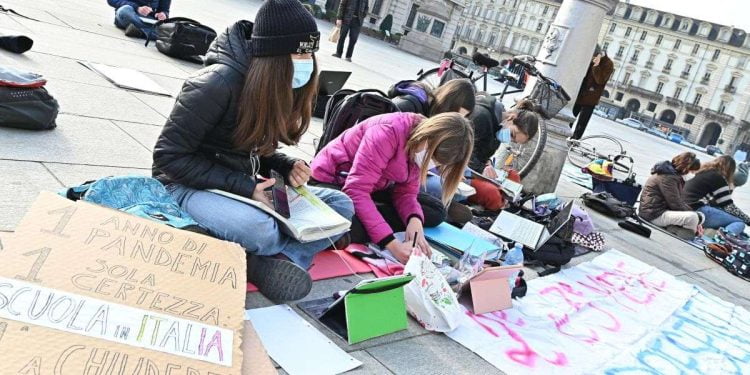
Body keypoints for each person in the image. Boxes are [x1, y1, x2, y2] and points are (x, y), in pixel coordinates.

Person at [152, 0, 354, 302]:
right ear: (273, 55)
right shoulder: (216, 83)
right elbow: (169, 158)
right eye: (299, 52)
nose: (307, 61)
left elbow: (247, 146)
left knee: (341, 206)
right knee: (262, 230)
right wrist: (248, 188)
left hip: (241, 185)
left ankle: (275, 261)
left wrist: (285, 165)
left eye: (310, 52)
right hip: (184, 186)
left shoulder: (273, 82)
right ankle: (263, 257)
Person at [311, 112, 474, 264]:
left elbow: (407, 192)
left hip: (376, 185)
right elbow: (356, 190)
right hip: (334, 181)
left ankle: (371, 217)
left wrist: (414, 220)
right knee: (345, 213)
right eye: (432, 158)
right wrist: (391, 243)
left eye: (437, 164)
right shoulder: (387, 132)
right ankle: (364, 223)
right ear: (428, 137)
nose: (431, 164)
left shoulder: (421, 143)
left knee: (435, 211)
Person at [638, 152, 703, 234]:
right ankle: (686, 233)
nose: (693, 174)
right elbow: (675, 203)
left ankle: (684, 230)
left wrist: (697, 217)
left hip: (660, 211)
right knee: (693, 217)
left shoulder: (674, 177)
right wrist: (696, 217)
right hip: (653, 215)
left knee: (699, 216)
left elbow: (678, 202)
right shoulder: (668, 178)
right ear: (686, 168)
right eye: (693, 172)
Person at [684, 155, 749, 235]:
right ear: (730, 171)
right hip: (696, 209)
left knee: (729, 218)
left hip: (684, 205)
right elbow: (729, 206)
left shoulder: (703, 172)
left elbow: (718, 204)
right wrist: (747, 219)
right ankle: (722, 240)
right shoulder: (718, 178)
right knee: (739, 223)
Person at [570, 44, 613, 140]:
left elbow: (600, 80)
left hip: (591, 98)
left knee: (582, 122)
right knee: (570, 116)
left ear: (598, 55)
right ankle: (564, 133)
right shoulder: (588, 58)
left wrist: (596, 66)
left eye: (592, 56)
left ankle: (575, 139)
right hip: (579, 94)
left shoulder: (608, 64)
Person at [389, 78, 476, 117]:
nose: (453, 120)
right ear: (446, 103)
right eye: (453, 114)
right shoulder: (410, 105)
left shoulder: (429, 111)